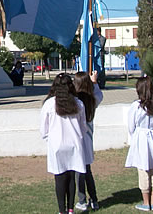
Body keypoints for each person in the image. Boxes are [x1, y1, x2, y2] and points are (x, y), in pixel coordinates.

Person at [40, 73, 87, 214]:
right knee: (71, 177)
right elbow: (83, 126)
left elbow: (43, 129)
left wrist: (50, 139)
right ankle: (71, 209)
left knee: (60, 178)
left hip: (57, 145)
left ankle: (62, 210)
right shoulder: (78, 103)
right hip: (74, 144)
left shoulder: (49, 104)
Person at [125, 76, 153, 212]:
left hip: (141, 138)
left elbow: (131, 125)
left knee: (143, 170)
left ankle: (146, 202)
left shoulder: (136, 106)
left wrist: (134, 137)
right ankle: (152, 201)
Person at [73, 70, 104, 212]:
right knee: (87, 170)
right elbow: (99, 95)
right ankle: (94, 199)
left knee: (79, 171)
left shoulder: (75, 102)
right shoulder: (92, 100)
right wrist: (94, 82)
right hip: (88, 137)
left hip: (78, 137)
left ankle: (82, 200)